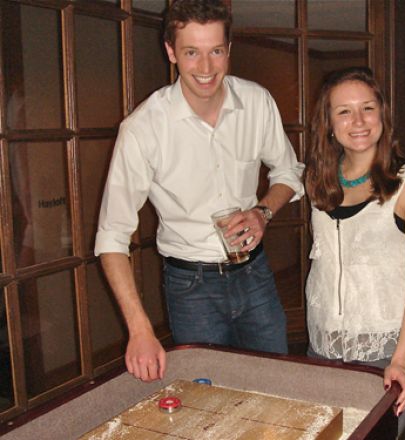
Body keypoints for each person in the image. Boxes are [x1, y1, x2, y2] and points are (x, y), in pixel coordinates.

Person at [95, 0, 304, 383]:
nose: (206, 68)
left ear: (229, 50)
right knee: (210, 400)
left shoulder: (257, 102)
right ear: (171, 51)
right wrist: (139, 330)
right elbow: (111, 236)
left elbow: (288, 173)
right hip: (191, 288)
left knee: (278, 385)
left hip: (255, 273)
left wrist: (263, 212)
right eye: (192, 52)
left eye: (215, 51)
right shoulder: (143, 128)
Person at [304, 66, 405, 437]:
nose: (358, 120)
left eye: (368, 108)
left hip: (388, 354)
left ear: (383, 114)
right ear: (329, 123)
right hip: (323, 350)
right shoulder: (319, 179)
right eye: (344, 111)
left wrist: (401, 360)